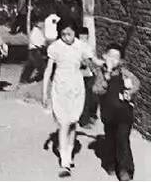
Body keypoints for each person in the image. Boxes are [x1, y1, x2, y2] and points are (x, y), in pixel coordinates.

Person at [42, 17, 99, 177]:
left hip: (76, 88)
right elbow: (48, 70)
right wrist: (44, 92)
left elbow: (93, 60)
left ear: (75, 33)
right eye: (63, 34)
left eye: (69, 34)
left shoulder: (81, 46)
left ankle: (69, 152)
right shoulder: (55, 47)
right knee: (64, 123)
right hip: (60, 88)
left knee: (73, 123)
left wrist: (107, 61)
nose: (66, 37)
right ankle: (64, 161)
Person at [93, 42, 140, 181]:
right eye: (110, 56)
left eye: (116, 57)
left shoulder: (124, 73)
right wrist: (105, 79)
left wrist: (130, 92)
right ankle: (111, 164)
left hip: (124, 114)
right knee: (111, 139)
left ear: (120, 61)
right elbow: (96, 89)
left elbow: (136, 83)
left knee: (122, 139)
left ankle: (126, 169)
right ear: (104, 56)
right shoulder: (100, 73)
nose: (112, 60)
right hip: (108, 114)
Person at [78, 26, 98, 127]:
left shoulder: (89, 47)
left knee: (92, 97)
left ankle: (90, 116)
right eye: (81, 36)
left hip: (89, 75)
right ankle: (84, 121)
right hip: (81, 75)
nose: (83, 38)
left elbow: (92, 60)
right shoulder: (77, 47)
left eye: (84, 37)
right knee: (85, 98)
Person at [19, 17, 47, 84]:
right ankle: (37, 79)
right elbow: (36, 41)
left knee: (30, 66)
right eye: (42, 23)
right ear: (38, 23)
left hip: (33, 50)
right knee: (41, 66)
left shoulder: (39, 31)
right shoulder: (36, 31)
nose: (43, 24)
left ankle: (24, 79)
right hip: (35, 50)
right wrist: (42, 46)